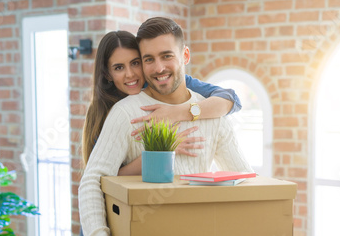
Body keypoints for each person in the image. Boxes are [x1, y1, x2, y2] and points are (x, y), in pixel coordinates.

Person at [79, 17, 253, 236]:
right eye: (148, 59)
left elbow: (242, 175)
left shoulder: (210, 113)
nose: (158, 67)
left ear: (184, 56)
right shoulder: (126, 112)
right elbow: (94, 179)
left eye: (166, 56)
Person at [81, 30, 242, 176]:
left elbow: (230, 98)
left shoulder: (165, 83)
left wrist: (178, 112)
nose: (130, 74)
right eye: (118, 68)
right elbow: (105, 177)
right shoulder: (106, 114)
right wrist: (162, 151)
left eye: (135, 63)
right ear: (107, 74)